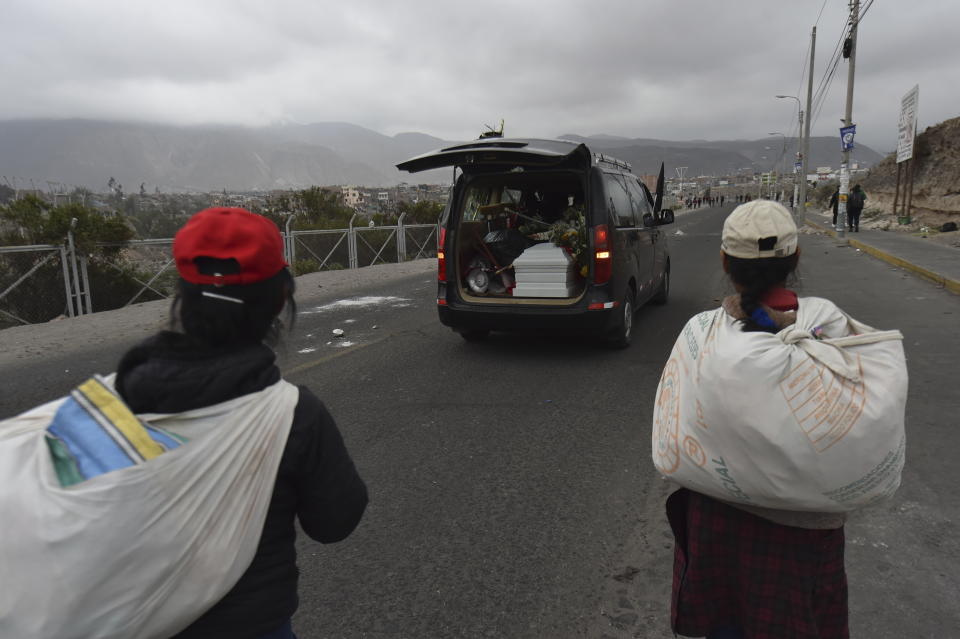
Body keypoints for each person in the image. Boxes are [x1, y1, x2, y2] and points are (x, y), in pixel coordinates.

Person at [115, 207, 368, 638]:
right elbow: (335, 522)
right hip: (253, 624)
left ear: (182, 295)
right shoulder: (294, 416)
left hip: (132, 622)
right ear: (279, 301)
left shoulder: (117, 398)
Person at [663, 201, 850, 639]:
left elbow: (678, 422)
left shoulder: (702, 335)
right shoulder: (832, 332)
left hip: (718, 526)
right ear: (796, 259)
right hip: (803, 537)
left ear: (726, 263)